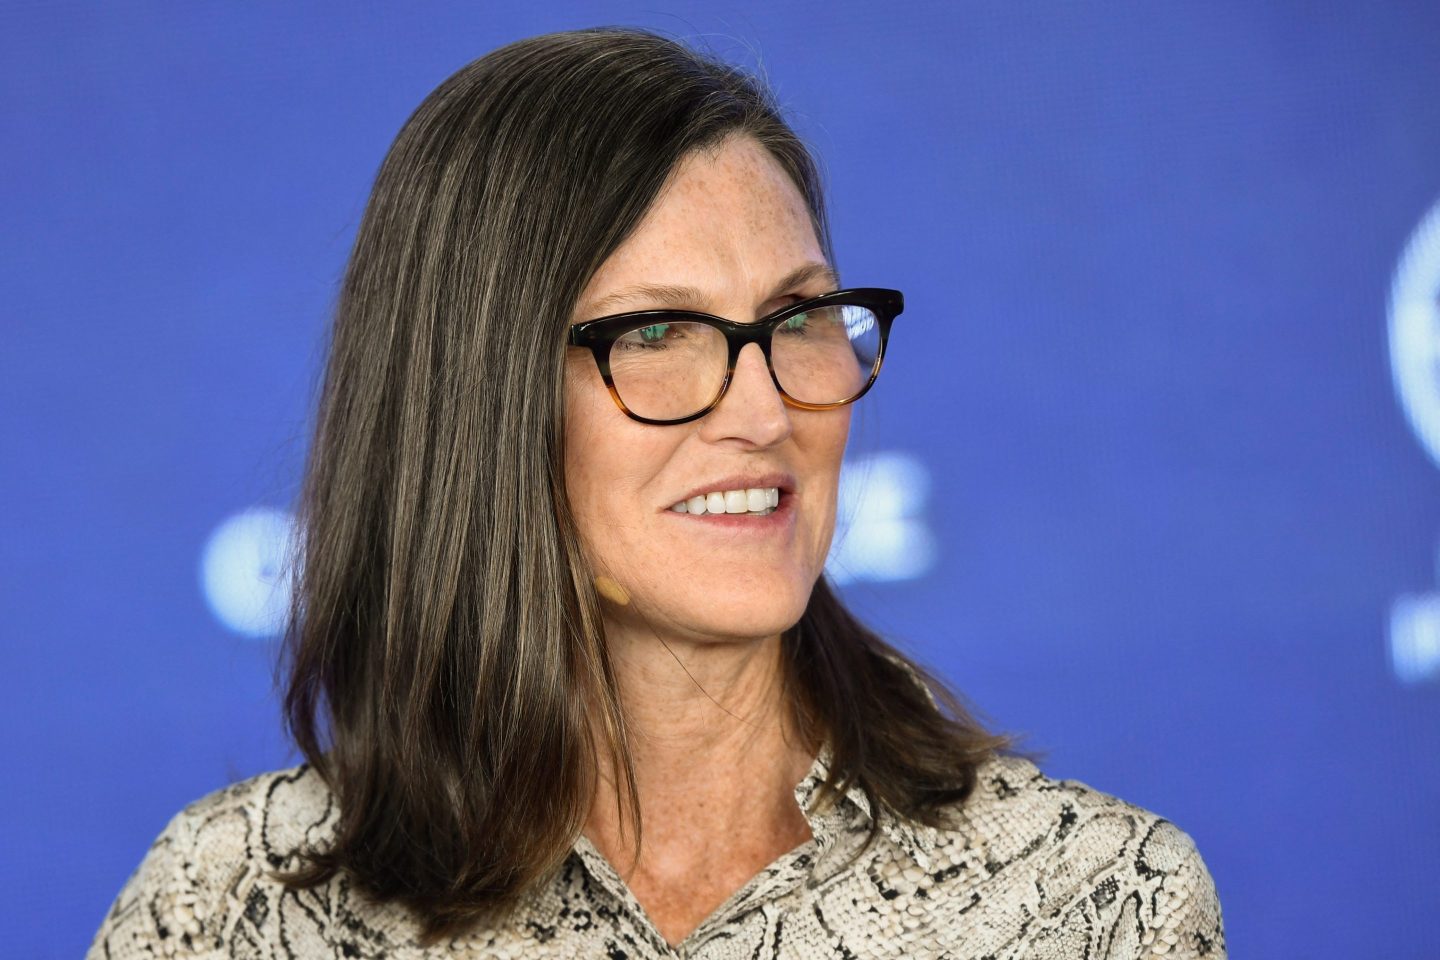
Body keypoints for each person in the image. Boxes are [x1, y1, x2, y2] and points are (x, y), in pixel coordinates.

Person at [88, 26, 1226, 959]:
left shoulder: (1092, 906)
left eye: (799, 319)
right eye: (660, 331)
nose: (766, 411)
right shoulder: (235, 910)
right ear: (476, 398)